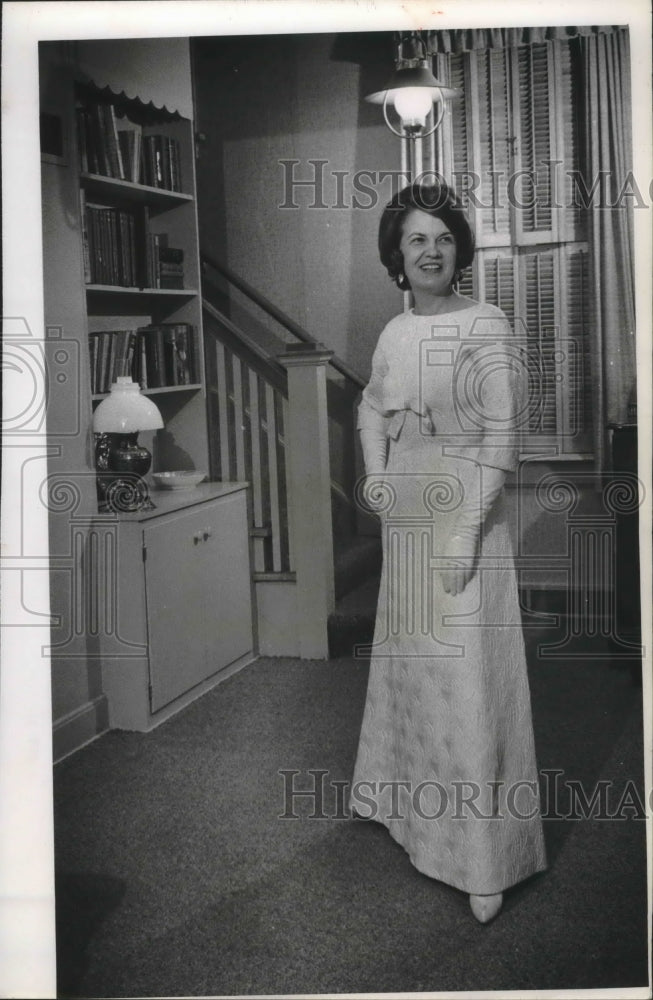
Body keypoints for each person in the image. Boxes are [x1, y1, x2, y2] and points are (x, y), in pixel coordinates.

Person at [351, 182, 547, 924]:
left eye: (441, 238)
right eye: (414, 241)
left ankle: (482, 863)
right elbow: (370, 406)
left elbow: (502, 440)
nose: (429, 251)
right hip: (406, 507)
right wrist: (375, 475)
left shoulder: (485, 324)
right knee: (409, 669)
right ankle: (404, 814)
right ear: (396, 259)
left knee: (466, 680)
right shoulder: (394, 331)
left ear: (458, 249)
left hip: (465, 511)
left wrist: (465, 534)